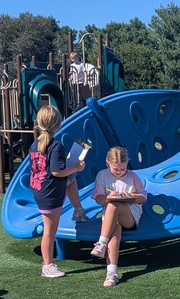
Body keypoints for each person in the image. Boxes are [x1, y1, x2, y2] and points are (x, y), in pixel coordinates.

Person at [29, 105, 86, 278]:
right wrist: (76, 166)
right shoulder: (56, 146)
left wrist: (72, 171)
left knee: (71, 179)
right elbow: (56, 171)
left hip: (40, 188)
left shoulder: (35, 143)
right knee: (49, 231)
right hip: (50, 193)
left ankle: (78, 210)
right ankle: (47, 266)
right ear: (58, 124)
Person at [90, 146, 147, 287]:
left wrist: (130, 196)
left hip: (130, 214)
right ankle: (111, 273)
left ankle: (101, 243)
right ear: (107, 163)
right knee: (114, 228)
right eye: (116, 169)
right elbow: (98, 198)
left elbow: (143, 197)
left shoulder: (132, 176)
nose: (120, 172)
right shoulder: (102, 175)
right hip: (111, 217)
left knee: (114, 205)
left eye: (123, 168)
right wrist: (108, 197)